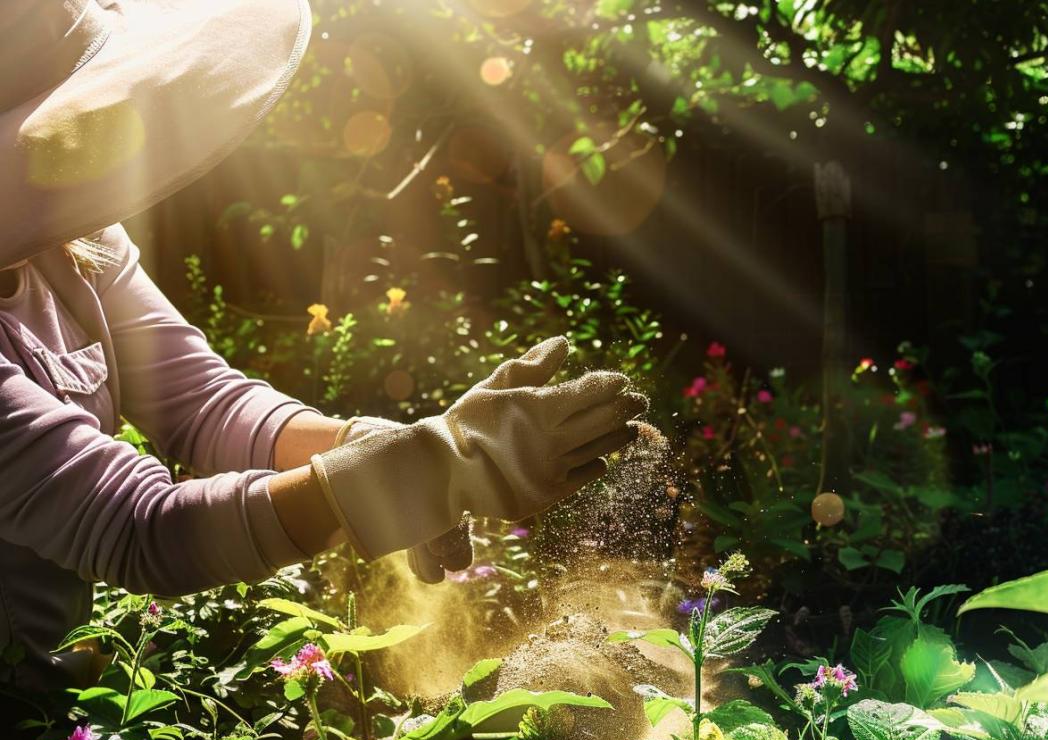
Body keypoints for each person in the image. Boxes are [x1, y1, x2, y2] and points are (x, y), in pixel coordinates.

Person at [0, 0, 645, 686]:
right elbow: (138, 529)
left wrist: (372, 444)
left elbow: (201, 403)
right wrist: (405, 476)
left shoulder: (73, 244)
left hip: (60, 704)